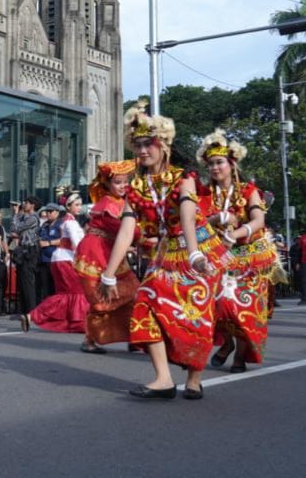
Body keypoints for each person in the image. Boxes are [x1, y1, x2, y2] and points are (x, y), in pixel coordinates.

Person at [102, 99, 221, 400]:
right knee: (145, 300)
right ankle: (164, 378)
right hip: (166, 254)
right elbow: (127, 230)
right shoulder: (137, 188)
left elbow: (186, 215)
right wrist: (108, 274)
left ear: (163, 145)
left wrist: (194, 254)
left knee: (195, 314)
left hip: (199, 250)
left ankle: (194, 379)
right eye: (138, 145)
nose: (143, 151)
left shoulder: (184, 179)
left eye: (149, 144)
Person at [195, 130, 276, 374]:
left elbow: (258, 220)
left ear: (231, 163)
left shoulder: (248, 190)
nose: (215, 168)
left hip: (250, 255)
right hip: (220, 255)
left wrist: (235, 233)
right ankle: (227, 344)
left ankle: (239, 356)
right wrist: (215, 218)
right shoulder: (204, 193)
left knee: (245, 309)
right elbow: (197, 223)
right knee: (219, 306)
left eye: (219, 162)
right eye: (210, 164)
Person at [74, 160, 137, 353]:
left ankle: (135, 336)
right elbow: (125, 230)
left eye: (125, 181)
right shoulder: (107, 204)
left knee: (133, 292)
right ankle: (90, 339)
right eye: (117, 182)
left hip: (110, 251)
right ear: (108, 184)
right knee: (102, 299)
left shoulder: (122, 202)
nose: (122, 186)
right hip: (96, 252)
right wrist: (147, 238)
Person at [29, 193, 89, 335]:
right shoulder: (71, 222)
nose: (79, 208)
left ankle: (74, 322)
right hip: (66, 260)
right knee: (76, 292)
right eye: (76, 205)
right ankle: (34, 315)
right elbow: (77, 245)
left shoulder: (66, 221)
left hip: (60, 258)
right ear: (68, 206)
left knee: (68, 294)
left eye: (80, 204)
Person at [8, 197, 42, 330]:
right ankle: (23, 312)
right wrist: (17, 214)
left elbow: (16, 229)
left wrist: (16, 214)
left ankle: (31, 312)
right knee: (21, 282)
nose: (24, 205)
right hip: (23, 251)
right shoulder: (24, 217)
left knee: (28, 282)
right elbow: (13, 229)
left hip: (30, 252)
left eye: (26, 203)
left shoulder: (33, 218)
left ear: (32, 205)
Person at [36, 203, 61, 301]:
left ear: (57, 213)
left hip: (55, 260)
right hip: (43, 260)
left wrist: (49, 242)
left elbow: (64, 240)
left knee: (55, 288)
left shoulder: (61, 225)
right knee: (45, 289)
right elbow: (38, 236)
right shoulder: (44, 225)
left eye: (51, 211)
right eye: (47, 211)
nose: (48, 214)